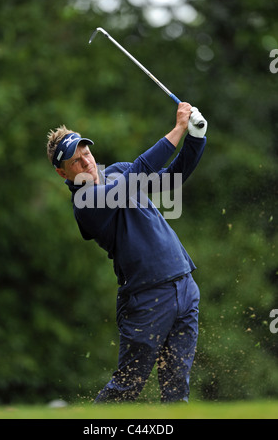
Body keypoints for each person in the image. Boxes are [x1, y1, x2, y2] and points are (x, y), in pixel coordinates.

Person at [46, 102, 207, 403]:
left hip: (184, 285)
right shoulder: (85, 203)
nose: (87, 163)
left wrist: (196, 138)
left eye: (87, 154)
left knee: (177, 390)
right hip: (147, 299)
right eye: (76, 161)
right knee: (126, 388)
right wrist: (178, 130)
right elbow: (137, 174)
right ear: (61, 172)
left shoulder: (115, 172)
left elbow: (171, 179)